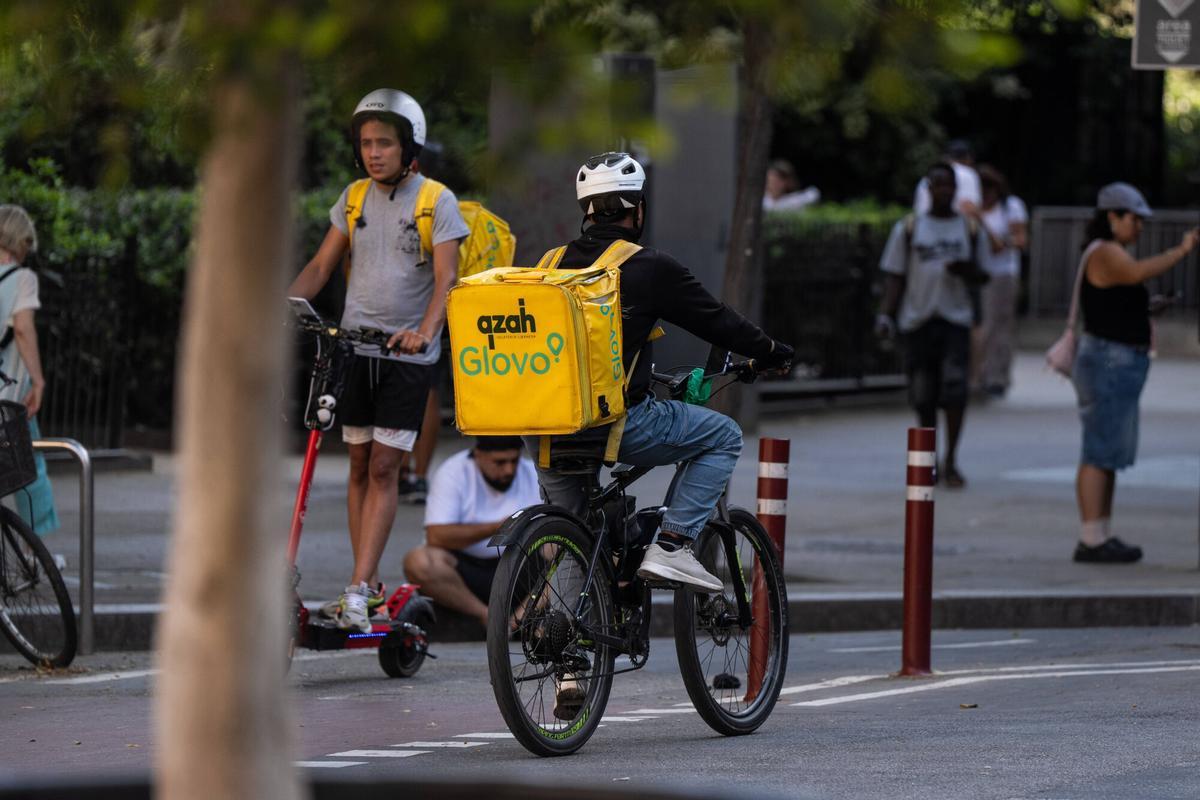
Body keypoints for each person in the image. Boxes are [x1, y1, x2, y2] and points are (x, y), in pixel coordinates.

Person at [530, 152, 794, 593]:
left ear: (587, 212)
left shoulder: (549, 264)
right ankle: (671, 546)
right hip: (616, 424)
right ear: (638, 211)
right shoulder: (648, 266)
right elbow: (717, 320)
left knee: (575, 533)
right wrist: (772, 351)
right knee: (723, 436)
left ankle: (568, 649)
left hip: (547, 428)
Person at [288, 88, 469, 632]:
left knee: (387, 467)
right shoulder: (353, 198)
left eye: (384, 143)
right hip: (355, 349)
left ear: (408, 145)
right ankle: (361, 584)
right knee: (360, 464)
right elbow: (321, 267)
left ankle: (360, 588)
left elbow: (447, 279)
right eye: (366, 143)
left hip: (405, 357)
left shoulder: (436, 201)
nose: (373, 153)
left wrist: (425, 331)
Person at [1070, 183, 1198, 564]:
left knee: (1108, 450)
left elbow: (1120, 294)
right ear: (1112, 217)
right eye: (1134, 219)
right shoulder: (1106, 252)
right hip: (1109, 360)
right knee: (1099, 449)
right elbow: (1139, 271)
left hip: (1117, 359)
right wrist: (1183, 249)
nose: (1138, 227)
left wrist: (1146, 308)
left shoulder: (1111, 254)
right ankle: (1091, 537)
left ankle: (1099, 533)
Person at [876, 162, 991, 489]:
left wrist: (966, 269)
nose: (945, 191)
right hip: (918, 320)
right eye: (939, 185)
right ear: (929, 188)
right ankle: (927, 461)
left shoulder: (969, 229)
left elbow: (984, 275)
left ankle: (951, 459)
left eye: (950, 186)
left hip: (954, 320)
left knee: (955, 392)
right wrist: (886, 314)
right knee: (923, 396)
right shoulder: (910, 228)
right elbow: (895, 275)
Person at [401, 436, 540, 627]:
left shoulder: (532, 472)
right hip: (467, 576)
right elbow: (436, 536)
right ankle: (489, 617)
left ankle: (521, 618)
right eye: (500, 462)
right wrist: (498, 527)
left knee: (561, 551)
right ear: (478, 455)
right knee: (418, 561)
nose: (509, 469)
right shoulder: (454, 472)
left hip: (521, 573)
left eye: (513, 461)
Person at [0, 205, 58, 537]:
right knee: (30, 470)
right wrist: (38, 380)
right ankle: (35, 549)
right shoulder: (22, 279)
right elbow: (23, 329)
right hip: (11, 395)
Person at [970, 165, 1028, 397]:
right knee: (980, 327)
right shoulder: (970, 208)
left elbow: (1019, 241)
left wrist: (982, 221)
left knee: (999, 326)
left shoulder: (1010, 207)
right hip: (979, 274)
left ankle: (997, 376)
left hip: (1003, 273)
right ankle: (978, 374)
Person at [913, 139, 982, 217]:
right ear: (968, 158)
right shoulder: (969, 174)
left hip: (924, 226)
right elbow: (970, 209)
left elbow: (918, 211)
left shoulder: (925, 179)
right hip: (954, 227)